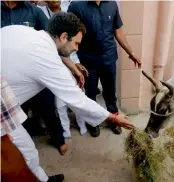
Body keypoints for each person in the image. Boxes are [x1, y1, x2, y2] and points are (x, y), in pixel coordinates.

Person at [1, 11, 134, 152]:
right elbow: (77, 99)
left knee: (25, 150)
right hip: (3, 108)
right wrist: (112, 117)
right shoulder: (46, 58)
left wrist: (73, 69)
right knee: (25, 154)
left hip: (5, 100)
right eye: (76, 43)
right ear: (64, 37)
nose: (76, 49)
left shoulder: (26, 32)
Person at [1, 0, 69, 155]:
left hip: (37, 77)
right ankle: (24, 146)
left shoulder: (34, 12)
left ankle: (59, 139)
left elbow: (54, 41)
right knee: (17, 116)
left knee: (48, 109)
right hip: (9, 80)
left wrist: (71, 66)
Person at [67, 0, 142, 137]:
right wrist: (74, 61)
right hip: (88, 61)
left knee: (110, 92)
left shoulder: (112, 5)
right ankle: (93, 122)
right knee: (90, 94)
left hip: (109, 59)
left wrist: (130, 52)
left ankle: (113, 119)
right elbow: (69, 36)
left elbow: (118, 32)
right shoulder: (76, 6)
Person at [39, 0, 89, 138]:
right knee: (60, 103)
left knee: (78, 95)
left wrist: (76, 64)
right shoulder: (41, 14)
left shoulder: (69, 11)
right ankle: (66, 131)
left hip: (70, 61)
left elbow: (72, 44)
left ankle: (82, 124)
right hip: (52, 65)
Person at [1, 75, 64, 182]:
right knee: (12, 166)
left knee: (29, 154)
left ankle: (42, 179)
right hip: (4, 125)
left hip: (7, 116)